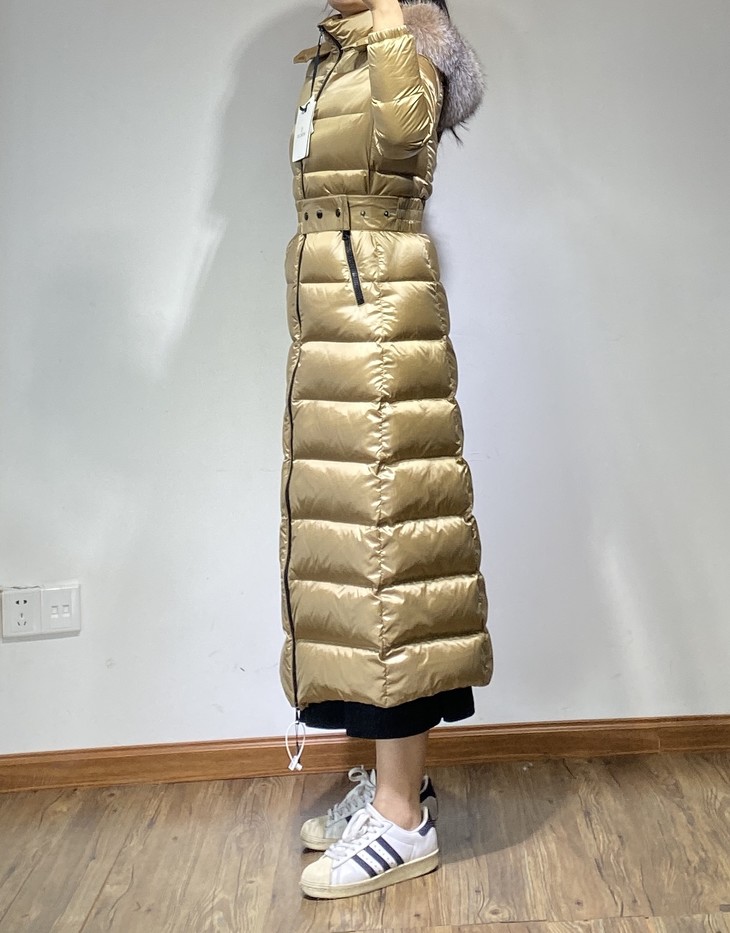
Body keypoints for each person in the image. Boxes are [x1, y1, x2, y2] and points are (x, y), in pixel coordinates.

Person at [278, 0, 494, 898]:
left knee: (389, 558)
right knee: (353, 562)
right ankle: (396, 782)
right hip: (338, 320)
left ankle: (403, 819)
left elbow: (406, 137)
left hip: (376, 325)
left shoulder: (405, 41)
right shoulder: (337, 52)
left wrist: (401, 18)